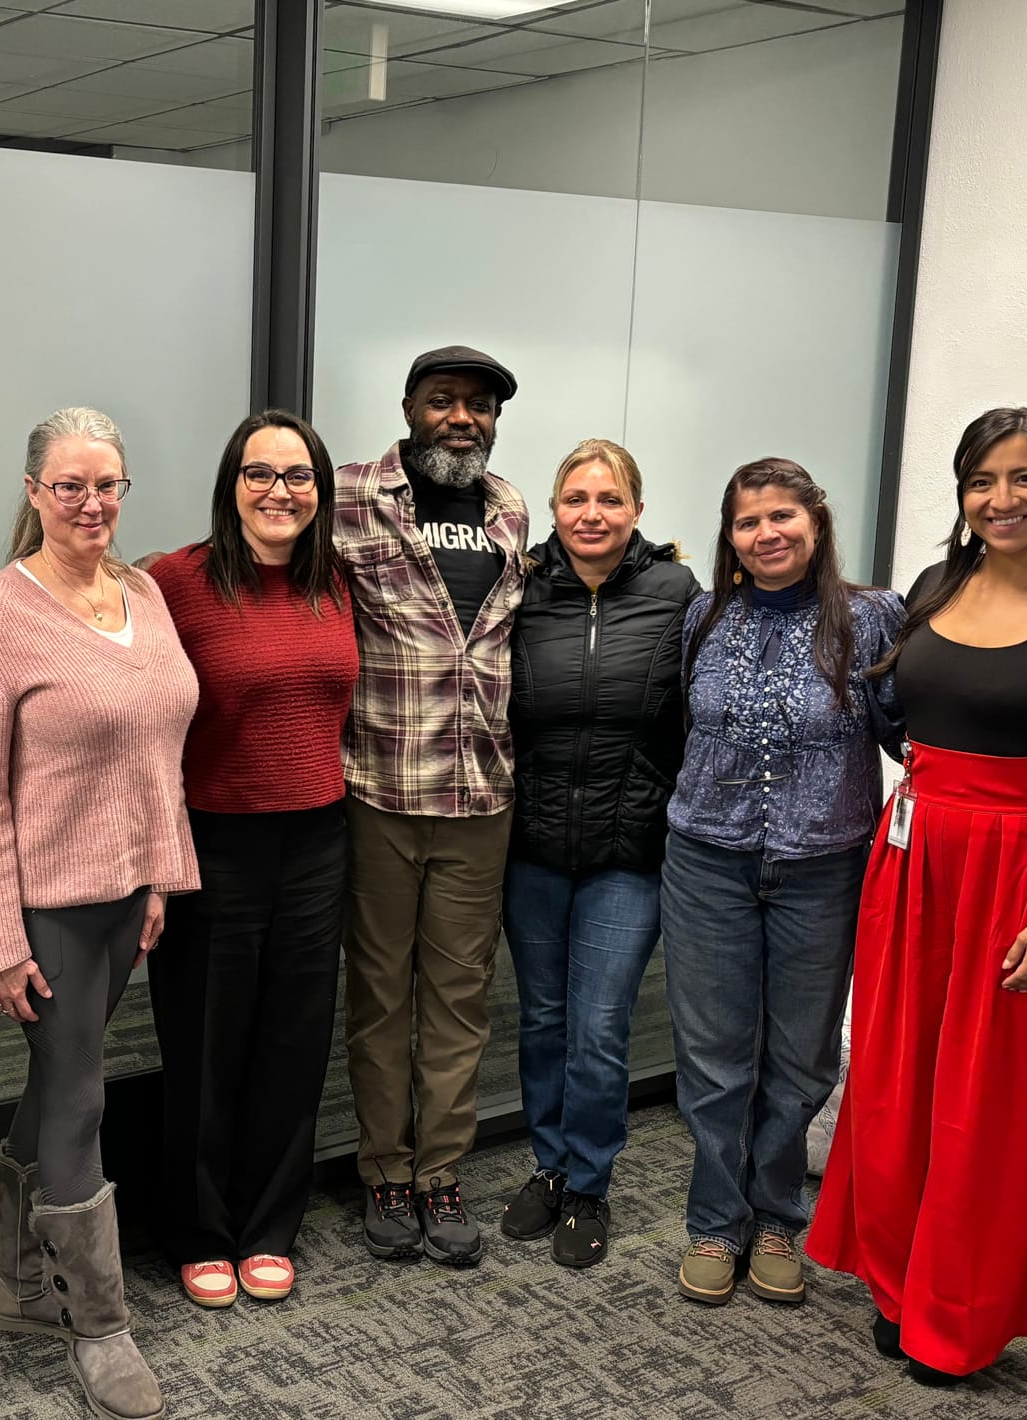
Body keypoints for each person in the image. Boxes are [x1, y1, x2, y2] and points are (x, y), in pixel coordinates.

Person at [660, 457, 1027, 1310]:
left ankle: (777, 1216)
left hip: (826, 864)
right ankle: (715, 1220)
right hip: (706, 860)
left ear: (816, 524)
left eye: (784, 516)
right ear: (730, 537)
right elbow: (680, 724)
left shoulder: (871, 616)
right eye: (748, 522)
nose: (767, 533)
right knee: (713, 1058)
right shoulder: (702, 615)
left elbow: (915, 728)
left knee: (801, 1056)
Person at [807, 409, 1027, 1384]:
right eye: (980, 481)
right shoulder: (932, 586)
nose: (1001, 500)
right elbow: (908, 722)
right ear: (960, 495)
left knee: (987, 1106)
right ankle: (896, 1278)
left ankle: (958, 1316)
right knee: (897, 1078)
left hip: (1017, 884)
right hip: (913, 864)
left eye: (1023, 478)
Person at [0, 407, 198, 1420]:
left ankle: (17, 1275)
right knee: (79, 1094)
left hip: (123, 897)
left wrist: (154, 878)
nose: (90, 502)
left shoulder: (139, 593)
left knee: (60, 1085)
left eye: (107, 484)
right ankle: (97, 1326)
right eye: (68, 486)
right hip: (45, 907)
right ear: (33, 493)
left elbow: (158, 749)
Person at [144, 411, 359, 1309]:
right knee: (205, 1040)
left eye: (299, 476)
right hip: (211, 842)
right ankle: (201, 1231)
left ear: (321, 491)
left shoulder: (336, 581)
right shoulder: (173, 582)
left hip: (317, 837)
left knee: (294, 1039)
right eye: (261, 473)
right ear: (231, 482)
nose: (280, 491)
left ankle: (270, 1225)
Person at [333, 345, 531, 1266]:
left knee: (459, 1000)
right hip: (379, 787)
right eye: (444, 401)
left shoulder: (510, 510)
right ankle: (384, 1168)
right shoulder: (346, 496)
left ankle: (440, 1173)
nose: (463, 418)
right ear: (409, 406)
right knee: (379, 996)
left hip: (481, 796)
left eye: (479, 406)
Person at [497, 440, 698, 1266]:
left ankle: (590, 1182)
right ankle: (548, 1166)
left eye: (609, 500)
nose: (592, 514)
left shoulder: (676, 593)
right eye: (576, 499)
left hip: (628, 851)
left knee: (601, 1025)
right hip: (532, 847)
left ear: (638, 512)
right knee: (542, 1019)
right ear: (554, 510)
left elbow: (706, 710)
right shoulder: (524, 589)